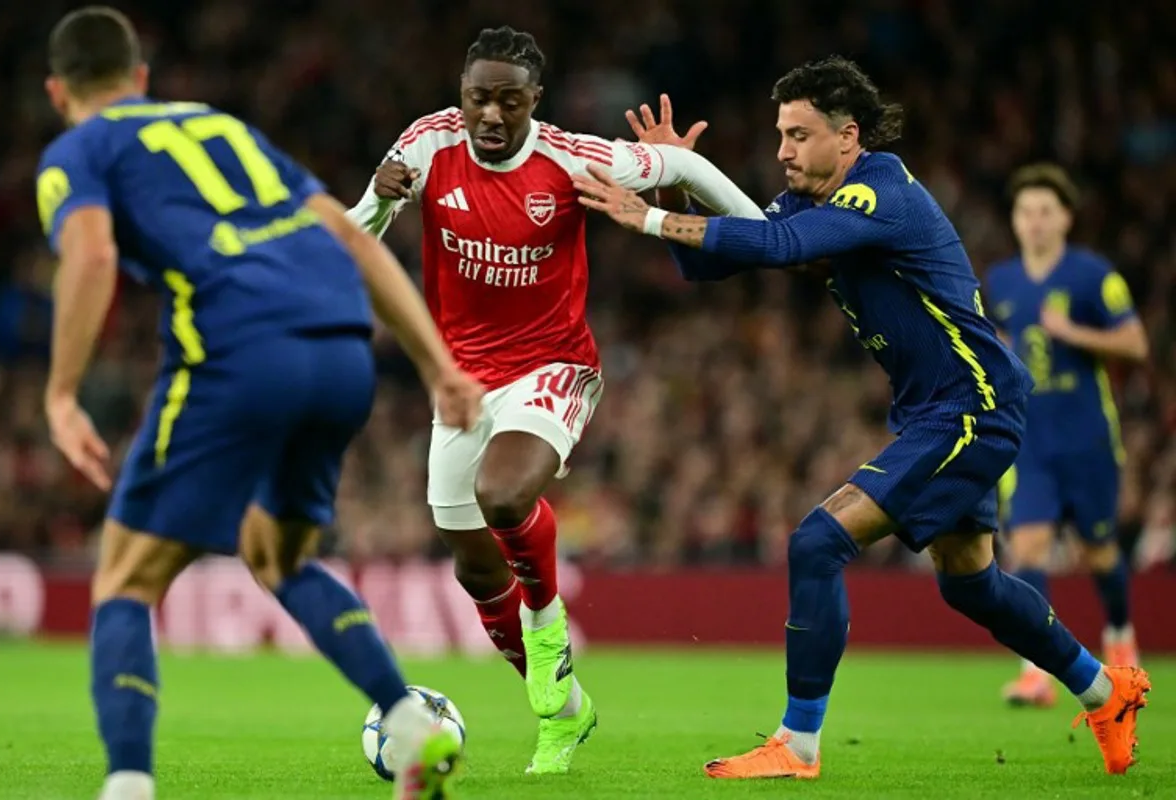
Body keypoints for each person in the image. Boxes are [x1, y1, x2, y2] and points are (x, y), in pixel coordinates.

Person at [574, 56, 1151, 779]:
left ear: (847, 137)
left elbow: (778, 247)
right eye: (779, 134)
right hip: (934, 411)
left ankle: (799, 743)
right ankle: (1107, 690)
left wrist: (650, 213)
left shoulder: (882, 190)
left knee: (817, 543)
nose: (781, 150)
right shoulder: (814, 206)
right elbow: (708, 265)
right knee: (970, 583)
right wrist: (673, 179)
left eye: (798, 134)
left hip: (973, 404)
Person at [36, 8, 482, 799]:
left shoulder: (78, 149)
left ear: (56, 91)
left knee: (126, 582)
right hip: (343, 349)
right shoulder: (223, 128)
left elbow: (93, 251)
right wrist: (439, 368)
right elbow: (352, 237)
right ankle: (408, 722)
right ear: (140, 78)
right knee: (280, 556)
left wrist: (63, 391)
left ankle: (129, 785)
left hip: (238, 348)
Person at [347, 25, 764, 775]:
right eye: (479, 99)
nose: (493, 116)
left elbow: (685, 164)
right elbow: (351, 241)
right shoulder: (424, 146)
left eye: (510, 100)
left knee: (502, 495)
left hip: (553, 365)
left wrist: (769, 232)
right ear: (462, 96)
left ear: (535, 100)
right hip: (461, 381)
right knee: (473, 565)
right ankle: (565, 710)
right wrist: (377, 203)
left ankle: (546, 627)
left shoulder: (573, 156)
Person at [984, 164, 1149, 707]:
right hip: (1027, 441)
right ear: (1014, 220)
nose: (1034, 222)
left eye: (1044, 212)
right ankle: (1036, 672)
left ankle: (1121, 642)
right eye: (1025, 212)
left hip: (1086, 437)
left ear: (1065, 218)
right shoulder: (1001, 282)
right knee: (1027, 546)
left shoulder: (1093, 275)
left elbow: (1135, 344)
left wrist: (1071, 332)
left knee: (1098, 551)